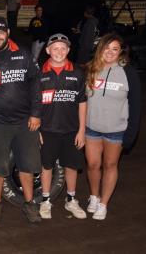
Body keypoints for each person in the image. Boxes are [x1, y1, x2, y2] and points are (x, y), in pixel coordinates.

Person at [0, 16, 42, 223]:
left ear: (7, 33)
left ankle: (30, 204)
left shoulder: (23, 54)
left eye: (0, 32)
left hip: (25, 121)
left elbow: (36, 85)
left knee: (27, 164)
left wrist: (36, 114)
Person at [84, 33, 141, 220]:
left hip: (116, 130)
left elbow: (136, 104)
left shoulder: (128, 72)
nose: (110, 53)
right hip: (91, 127)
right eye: (107, 48)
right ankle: (94, 196)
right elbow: (81, 100)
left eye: (114, 49)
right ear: (100, 49)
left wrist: (131, 134)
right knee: (93, 165)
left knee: (110, 165)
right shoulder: (91, 69)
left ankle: (103, 203)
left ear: (120, 52)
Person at [38, 33, 87, 220]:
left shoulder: (77, 72)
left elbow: (82, 102)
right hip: (47, 130)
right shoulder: (39, 73)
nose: (59, 51)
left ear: (68, 50)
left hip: (71, 130)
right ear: (48, 50)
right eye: (55, 48)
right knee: (46, 166)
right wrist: (36, 131)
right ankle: (45, 201)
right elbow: (34, 104)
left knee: (71, 166)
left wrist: (82, 130)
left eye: (63, 48)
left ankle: (71, 199)